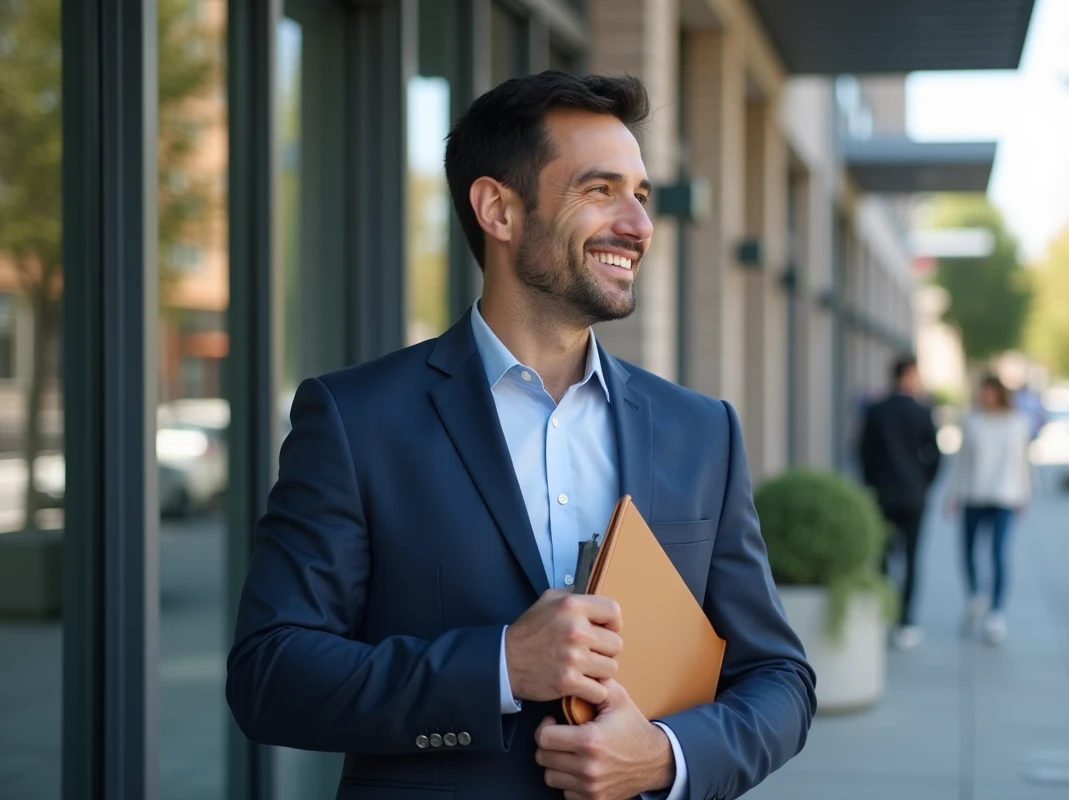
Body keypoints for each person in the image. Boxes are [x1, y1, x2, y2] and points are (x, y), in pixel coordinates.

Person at [225, 71, 816, 800]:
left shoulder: (701, 432)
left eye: (641, 194)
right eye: (601, 191)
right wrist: (501, 663)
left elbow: (780, 678)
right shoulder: (355, 420)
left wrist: (665, 758)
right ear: (498, 210)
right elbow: (270, 674)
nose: (637, 225)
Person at [858, 355, 942, 651]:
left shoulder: (876, 410)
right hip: (913, 497)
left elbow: (863, 453)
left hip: (881, 495)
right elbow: (935, 454)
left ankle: (884, 616)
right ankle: (906, 622)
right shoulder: (921, 410)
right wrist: (924, 483)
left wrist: (870, 485)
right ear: (908, 375)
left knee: (882, 559)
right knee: (912, 558)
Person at [945, 375, 1032, 645]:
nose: (985, 397)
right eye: (983, 392)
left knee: (998, 553)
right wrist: (953, 494)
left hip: (1004, 497)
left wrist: (1024, 494)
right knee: (967, 551)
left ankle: (996, 614)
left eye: (990, 392)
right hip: (974, 495)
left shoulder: (1017, 423)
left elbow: (1024, 462)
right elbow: (961, 461)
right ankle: (976, 595)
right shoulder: (973, 421)